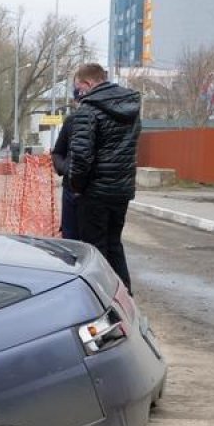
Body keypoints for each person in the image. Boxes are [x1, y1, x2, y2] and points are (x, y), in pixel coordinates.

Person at [68, 63, 141, 291]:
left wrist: (76, 186)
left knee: (94, 250)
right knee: (114, 244)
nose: (77, 93)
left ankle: (99, 298)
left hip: (95, 193)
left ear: (88, 84)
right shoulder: (131, 108)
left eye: (78, 87)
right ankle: (124, 295)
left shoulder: (87, 110)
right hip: (122, 190)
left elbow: (81, 156)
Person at [50, 87, 83, 240]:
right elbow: (58, 152)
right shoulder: (72, 121)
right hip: (72, 189)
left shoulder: (108, 120)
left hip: (96, 193)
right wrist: (65, 168)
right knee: (71, 239)